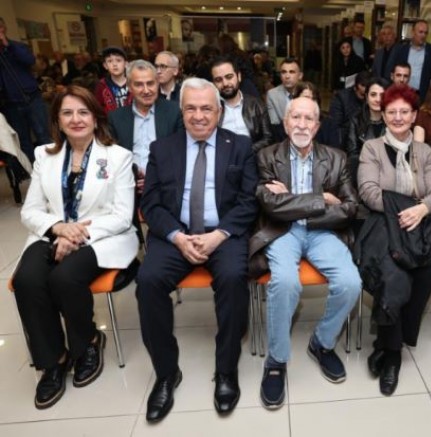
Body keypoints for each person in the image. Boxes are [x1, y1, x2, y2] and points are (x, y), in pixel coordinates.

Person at [136, 78, 258, 421]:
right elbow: (151, 203)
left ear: (219, 112)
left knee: (234, 277)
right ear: (181, 111)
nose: (199, 116)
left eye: (206, 108)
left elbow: (249, 201)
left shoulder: (240, 146)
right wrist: (177, 236)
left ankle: (226, 370)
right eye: (190, 108)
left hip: (223, 234)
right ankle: (165, 373)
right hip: (177, 235)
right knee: (148, 281)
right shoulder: (163, 148)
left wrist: (219, 235)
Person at [12, 85, 139, 409]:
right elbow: (30, 211)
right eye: (67, 113)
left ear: (96, 118)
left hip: (103, 237)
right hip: (51, 234)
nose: (76, 119)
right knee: (27, 280)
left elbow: (122, 216)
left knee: (64, 277)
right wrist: (58, 228)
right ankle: (53, 360)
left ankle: (88, 343)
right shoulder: (44, 155)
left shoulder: (118, 157)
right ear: (57, 120)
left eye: (83, 112)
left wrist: (76, 235)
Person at [249, 96, 361, 410]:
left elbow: (350, 208)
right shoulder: (267, 156)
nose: (301, 124)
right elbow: (270, 205)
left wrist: (293, 201)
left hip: (323, 231)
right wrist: (320, 199)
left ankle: (322, 343)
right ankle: (276, 359)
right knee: (285, 282)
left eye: (308, 118)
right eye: (295, 118)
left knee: (351, 282)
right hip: (282, 231)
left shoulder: (337, 158)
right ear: (285, 123)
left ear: (317, 125)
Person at [357, 84, 431, 395]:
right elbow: (370, 194)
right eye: (391, 111)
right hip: (382, 224)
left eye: (404, 112)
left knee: (427, 272)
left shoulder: (425, 152)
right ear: (383, 115)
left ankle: (384, 342)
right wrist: (410, 205)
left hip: (420, 224)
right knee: (394, 276)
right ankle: (393, 355)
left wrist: (421, 209)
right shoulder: (372, 148)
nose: (397, 117)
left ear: (414, 115)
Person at [108, 60, 184, 193]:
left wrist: (154, 178)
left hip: (166, 187)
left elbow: (181, 153)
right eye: (139, 85)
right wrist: (132, 176)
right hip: (128, 188)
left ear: (157, 83)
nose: (146, 90)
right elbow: (112, 158)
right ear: (129, 87)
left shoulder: (174, 112)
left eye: (150, 83)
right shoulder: (116, 118)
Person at [0, 17, 51, 163]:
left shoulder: (18, 46)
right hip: (11, 105)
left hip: (33, 99)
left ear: (3, 29)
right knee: (23, 141)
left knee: (43, 135)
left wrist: (7, 45)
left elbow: (29, 60)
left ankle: (51, 165)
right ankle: (33, 170)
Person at [212, 57, 273, 153]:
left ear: (239, 77)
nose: (225, 83)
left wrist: (245, 152)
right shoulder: (210, 108)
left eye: (229, 77)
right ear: (213, 83)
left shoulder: (256, 104)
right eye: (218, 80)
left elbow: (268, 138)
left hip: (253, 157)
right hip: (223, 157)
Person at [344, 77, 390, 185]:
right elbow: (353, 154)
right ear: (366, 97)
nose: (378, 99)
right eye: (373, 95)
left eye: (382, 95)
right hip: (362, 172)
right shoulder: (356, 121)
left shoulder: (393, 121)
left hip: (388, 174)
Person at [386, 20, 431, 101]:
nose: (423, 35)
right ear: (413, 32)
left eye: (425, 33)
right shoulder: (400, 50)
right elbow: (390, 70)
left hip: (422, 96)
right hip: (401, 93)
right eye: (420, 32)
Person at [328, 70, 371, 145]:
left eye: (370, 94)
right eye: (363, 95)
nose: (366, 98)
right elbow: (335, 127)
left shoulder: (374, 101)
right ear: (355, 88)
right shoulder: (341, 99)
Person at [292, 81, 340, 148]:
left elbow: (334, 151)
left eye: (314, 99)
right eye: (306, 98)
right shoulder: (288, 122)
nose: (310, 102)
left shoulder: (328, 124)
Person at [267, 57, 303, 142]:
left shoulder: (307, 93)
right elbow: (275, 126)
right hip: (283, 139)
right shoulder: (272, 95)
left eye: (292, 72)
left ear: (300, 75)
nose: (287, 76)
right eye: (283, 72)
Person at [94, 47, 131, 114]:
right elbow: (98, 108)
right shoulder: (102, 86)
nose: (114, 64)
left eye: (118, 60)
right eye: (110, 61)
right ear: (105, 65)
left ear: (126, 64)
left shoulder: (133, 82)